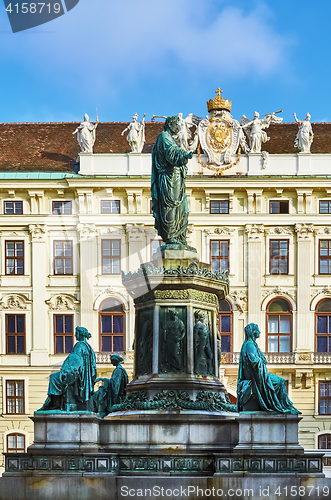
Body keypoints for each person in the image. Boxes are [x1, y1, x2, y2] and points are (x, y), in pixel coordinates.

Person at [237, 323, 300, 414]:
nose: (259, 332)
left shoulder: (250, 344)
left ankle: (283, 406)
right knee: (281, 382)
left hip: (259, 374)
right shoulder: (250, 345)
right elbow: (254, 361)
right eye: (257, 330)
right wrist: (262, 361)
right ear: (253, 332)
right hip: (257, 376)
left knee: (280, 382)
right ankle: (283, 407)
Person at [151, 115, 193, 246]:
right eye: (176, 124)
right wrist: (184, 155)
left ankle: (179, 236)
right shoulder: (164, 137)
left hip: (177, 177)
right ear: (170, 124)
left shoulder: (170, 139)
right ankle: (170, 236)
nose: (178, 127)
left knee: (183, 209)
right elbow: (171, 152)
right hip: (169, 177)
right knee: (171, 205)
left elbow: (174, 150)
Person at [40, 326, 97, 411]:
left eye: (76, 333)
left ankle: (54, 404)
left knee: (53, 377)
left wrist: (68, 372)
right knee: (56, 377)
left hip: (78, 377)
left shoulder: (79, 345)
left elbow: (75, 364)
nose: (75, 335)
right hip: (83, 376)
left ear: (81, 334)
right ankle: (54, 403)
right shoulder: (88, 347)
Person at [162, 308, 186, 372]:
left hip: (176, 340)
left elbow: (183, 331)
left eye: (170, 314)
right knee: (169, 354)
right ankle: (172, 368)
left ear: (174, 315)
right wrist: (165, 338)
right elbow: (166, 330)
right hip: (169, 339)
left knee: (175, 354)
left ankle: (179, 367)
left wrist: (180, 338)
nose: (170, 316)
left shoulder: (180, 322)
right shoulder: (169, 322)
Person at [193, 310, 213, 376]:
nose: (204, 316)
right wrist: (196, 342)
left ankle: (209, 371)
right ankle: (196, 370)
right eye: (203, 315)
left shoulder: (205, 324)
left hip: (206, 341)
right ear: (199, 316)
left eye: (204, 315)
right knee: (199, 355)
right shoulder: (198, 325)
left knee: (210, 356)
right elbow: (195, 334)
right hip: (201, 341)